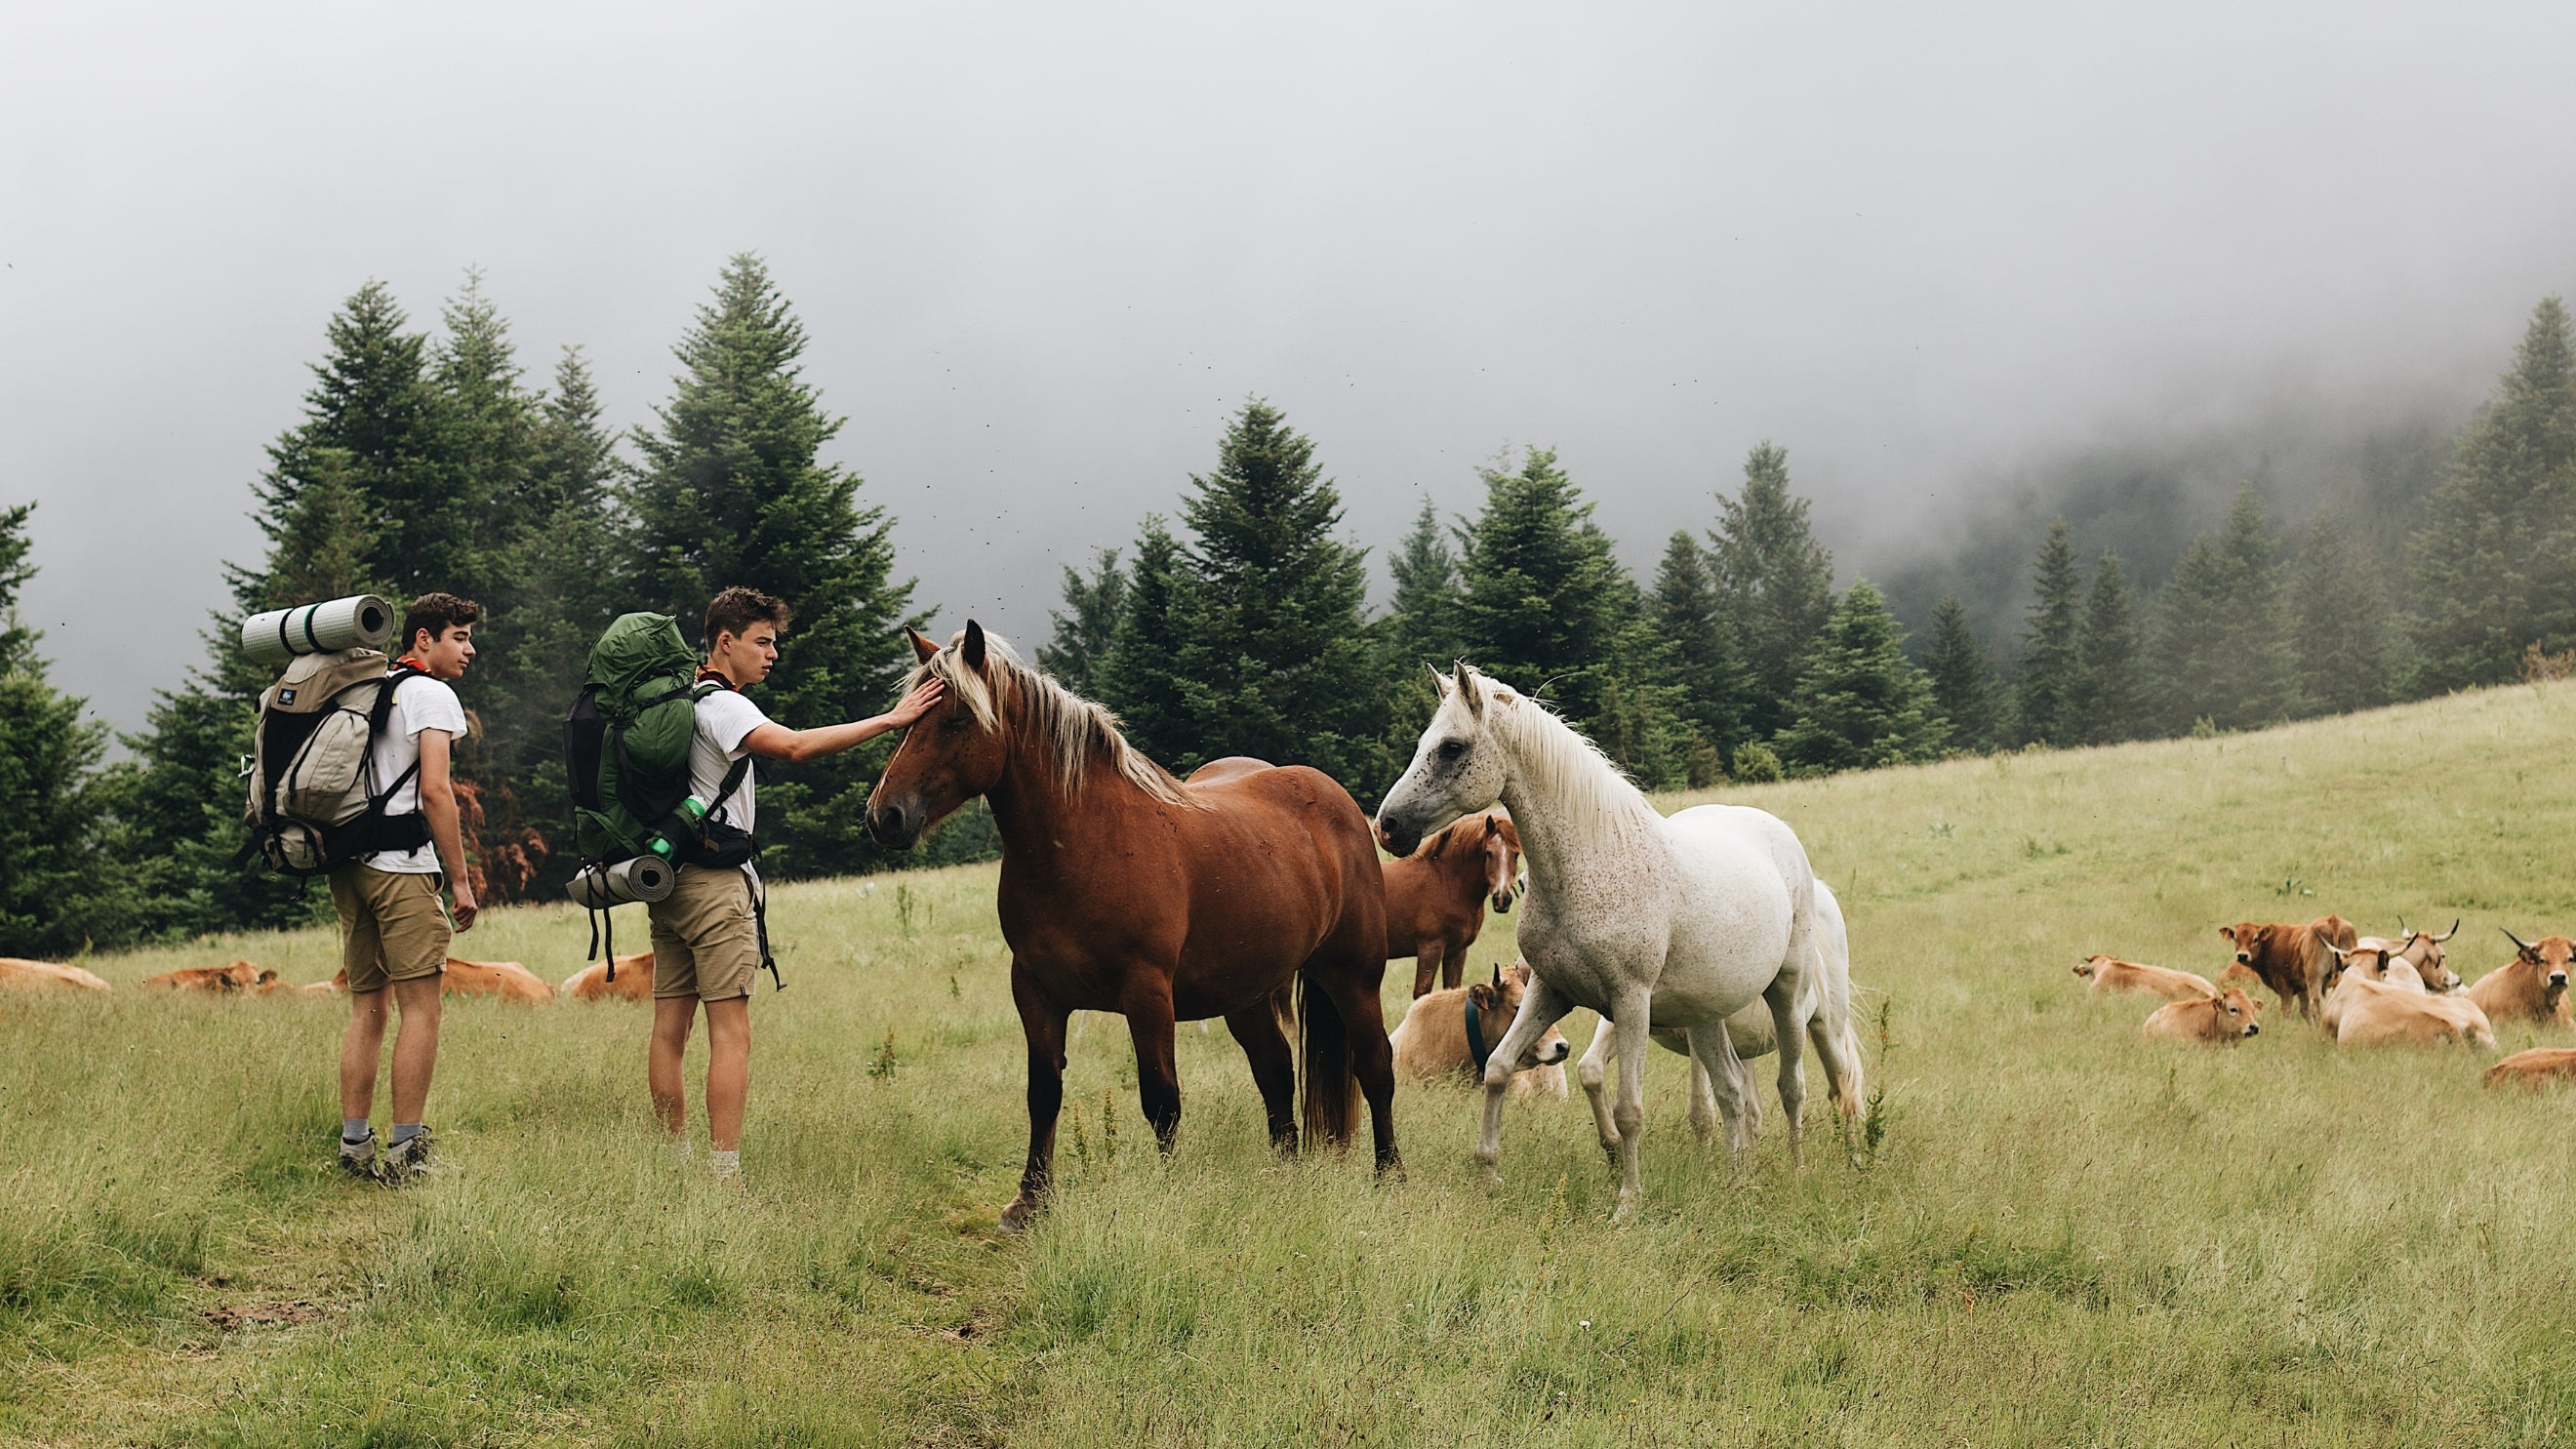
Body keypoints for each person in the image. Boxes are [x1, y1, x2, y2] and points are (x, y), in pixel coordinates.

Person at [649, 585, 944, 1179]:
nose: (772, 654)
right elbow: (796, 747)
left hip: (668, 880)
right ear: (725, 642)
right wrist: (892, 719)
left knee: (668, 1030)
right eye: (762, 642)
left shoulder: (679, 700)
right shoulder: (725, 707)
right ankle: (723, 1178)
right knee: (731, 1033)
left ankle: (671, 1159)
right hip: (717, 889)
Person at [335, 592, 479, 1183]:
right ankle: (407, 1153)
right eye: (459, 637)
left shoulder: (372, 687)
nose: (469, 650)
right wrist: (460, 880)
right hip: (402, 867)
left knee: (368, 1007)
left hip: (349, 864)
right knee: (421, 1008)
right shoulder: (431, 694)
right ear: (424, 638)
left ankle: (354, 1146)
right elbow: (436, 791)